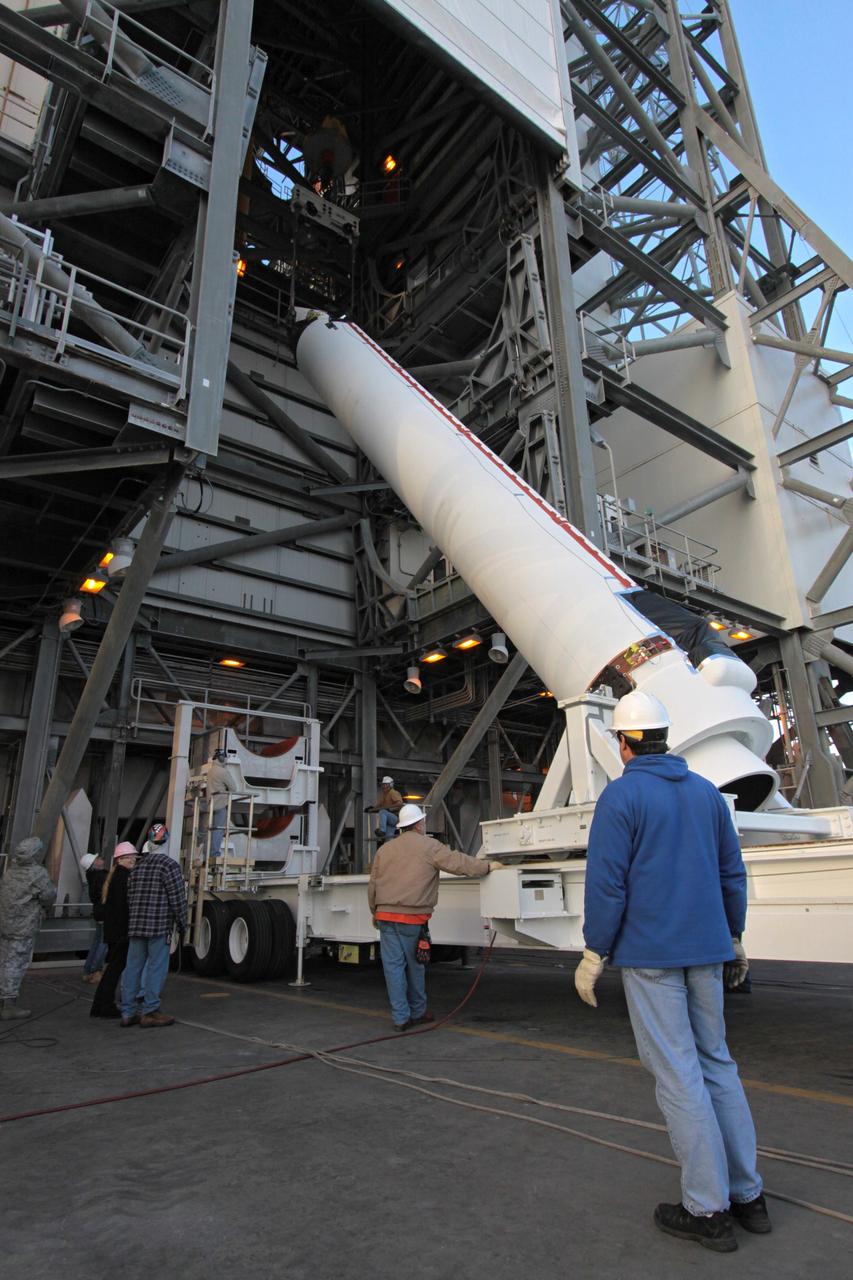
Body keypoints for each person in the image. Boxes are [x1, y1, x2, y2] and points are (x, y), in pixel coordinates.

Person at [574, 689, 770, 1253]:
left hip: (652, 958)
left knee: (679, 1075)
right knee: (718, 1065)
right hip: (708, 951)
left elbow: (607, 884)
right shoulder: (708, 795)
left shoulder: (622, 796)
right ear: (665, 736)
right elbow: (732, 874)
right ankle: (748, 1196)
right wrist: (733, 937)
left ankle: (707, 1209)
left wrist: (594, 952)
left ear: (626, 742)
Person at [368, 802, 499, 1030]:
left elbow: (373, 885)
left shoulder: (384, 850)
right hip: (412, 919)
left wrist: (374, 912)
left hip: (385, 916)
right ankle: (418, 1012)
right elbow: (458, 863)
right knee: (415, 965)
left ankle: (400, 1018)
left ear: (401, 826)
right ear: (419, 824)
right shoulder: (429, 846)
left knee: (393, 967)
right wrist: (487, 867)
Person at [120, 833, 187, 1028]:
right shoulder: (169, 866)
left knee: (133, 967)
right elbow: (177, 898)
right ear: (167, 842)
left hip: (136, 926)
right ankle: (150, 1011)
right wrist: (182, 923)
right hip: (158, 925)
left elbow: (130, 896)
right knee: (155, 967)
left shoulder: (138, 867)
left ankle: (127, 1012)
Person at [0, 836, 57, 1020]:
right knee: (16, 963)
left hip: (6, 923)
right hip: (24, 926)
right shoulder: (37, 873)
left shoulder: (10, 872)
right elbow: (48, 895)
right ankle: (8, 1004)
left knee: (4, 960)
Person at [90, 842, 137, 1020]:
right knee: (115, 970)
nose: (132, 859)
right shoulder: (123, 878)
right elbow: (123, 907)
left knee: (112, 969)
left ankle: (99, 1004)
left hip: (114, 930)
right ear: (120, 860)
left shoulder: (115, 876)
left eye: (133, 857)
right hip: (120, 932)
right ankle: (106, 1005)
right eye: (129, 857)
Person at [203, 748, 239, 859]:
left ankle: (207, 853)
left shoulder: (211, 771)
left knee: (211, 830)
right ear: (222, 758)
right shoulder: (223, 772)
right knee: (218, 830)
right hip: (220, 804)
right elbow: (234, 788)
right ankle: (214, 854)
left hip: (211, 804)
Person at [81, 852, 108, 982]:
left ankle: (88, 969)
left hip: (98, 912)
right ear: (94, 864)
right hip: (106, 912)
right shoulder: (101, 877)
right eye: (97, 858)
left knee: (97, 941)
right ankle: (95, 970)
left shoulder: (91, 876)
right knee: (104, 941)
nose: (100, 859)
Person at [365, 775, 403, 841]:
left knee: (383, 811)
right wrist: (372, 809)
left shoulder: (393, 793)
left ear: (390, 785)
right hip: (390, 820)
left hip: (395, 817)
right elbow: (379, 805)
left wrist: (389, 809)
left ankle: (382, 830)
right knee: (388, 841)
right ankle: (390, 849)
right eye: (383, 784)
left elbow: (399, 804)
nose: (384, 786)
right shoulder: (385, 795)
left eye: (386, 784)